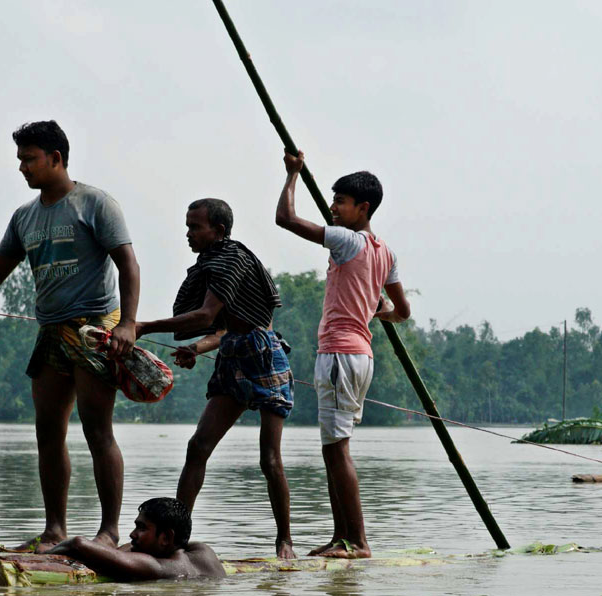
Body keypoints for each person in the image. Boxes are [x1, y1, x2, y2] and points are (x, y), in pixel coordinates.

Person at [0, 120, 140, 551]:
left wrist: (127, 323)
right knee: (47, 433)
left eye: (29, 159)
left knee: (97, 431)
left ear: (56, 158)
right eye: (20, 160)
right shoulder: (25, 217)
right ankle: (54, 530)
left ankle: (109, 533)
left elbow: (128, 263)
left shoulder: (95, 204)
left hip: (94, 329)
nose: (22, 168)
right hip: (51, 330)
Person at [134, 198, 296, 558]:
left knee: (269, 458)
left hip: (264, 356)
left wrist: (142, 326)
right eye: (187, 226)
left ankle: (284, 541)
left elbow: (205, 314)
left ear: (218, 231)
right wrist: (197, 348)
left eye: (195, 227)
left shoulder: (231, 259)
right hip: (233, 352)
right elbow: (222, 327)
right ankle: (175, 539)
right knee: (198, 447)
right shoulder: (213, 263)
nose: (188, 234)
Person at [275, 150, 411, 558]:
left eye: (340, 202)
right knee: (334, 448)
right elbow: (401, 312)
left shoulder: (347, 239)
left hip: (338, 355)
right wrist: (374, 308)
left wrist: (292, 175)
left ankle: (357, 542)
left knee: (336, 450)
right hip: (361, 356)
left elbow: (285, 219)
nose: (333, 208)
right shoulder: (385, 252)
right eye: (332, 200)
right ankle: (341, 538)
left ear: (362, 208)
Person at [47, 497, 226, 581]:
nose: (132, 534)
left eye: (141, 528)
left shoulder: (155, 566)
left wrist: (45, 554)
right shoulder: (203, 552)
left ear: (165, 537)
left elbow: (77, 543)